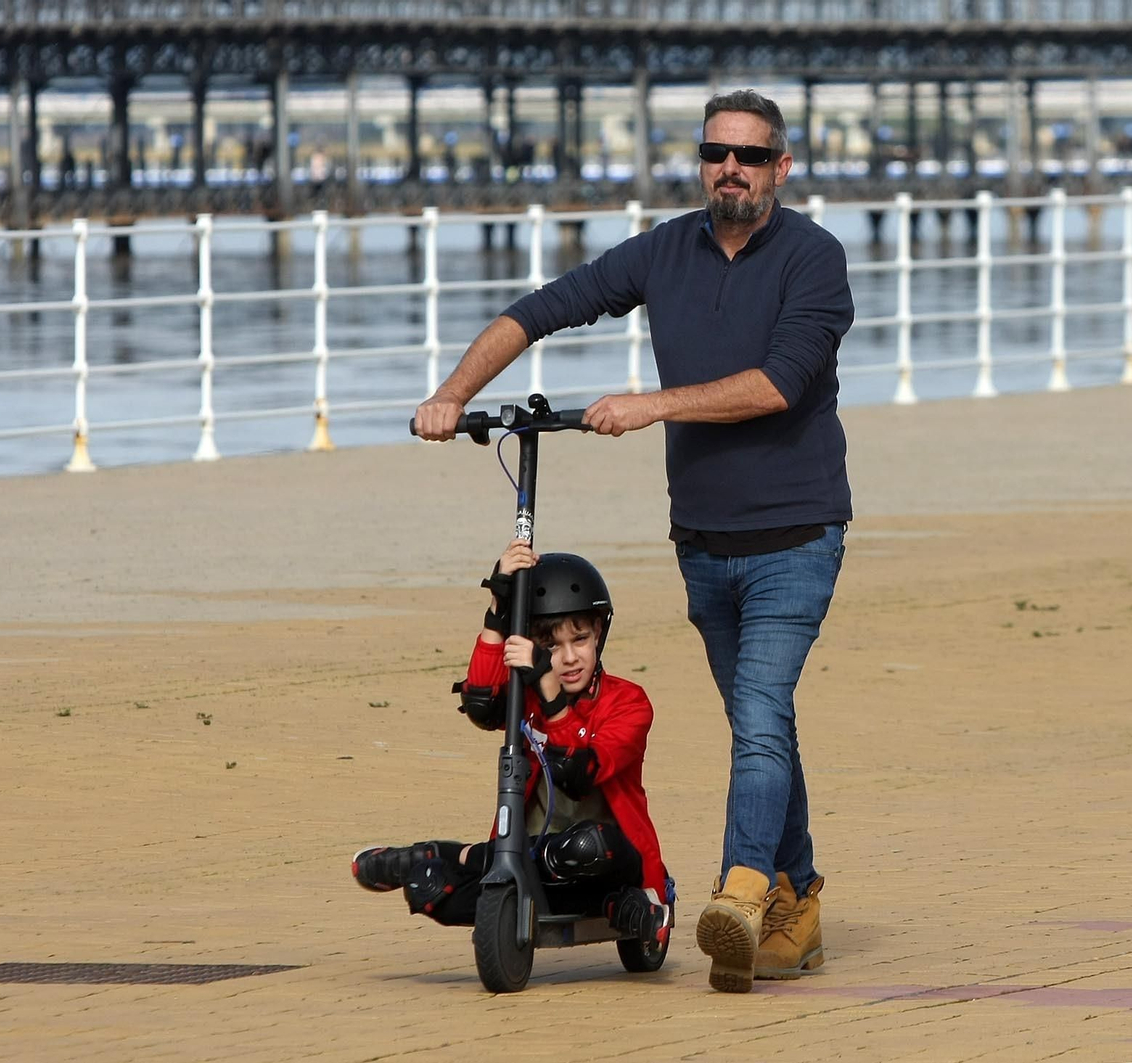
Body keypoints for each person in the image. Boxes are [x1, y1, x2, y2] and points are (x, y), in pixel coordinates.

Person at [412, 88, 854, 993]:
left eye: (750, 155)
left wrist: (651, 405)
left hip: (796, 534)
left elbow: (778, 383)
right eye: (715, 153)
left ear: (781, 166)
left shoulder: (814, 258)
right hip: (703, 539)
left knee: (759, 714)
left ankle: (740, 894)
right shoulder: (665, 249)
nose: (730, 169)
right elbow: (543, 308)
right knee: (760, 722)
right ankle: (799, 900)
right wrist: (453, 393)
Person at [351, 541, 672, 949]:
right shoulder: (527, 697)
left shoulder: (628, 702)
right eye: (551, 646)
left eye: (580, 639)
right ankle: (426, 860)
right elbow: (481, 701)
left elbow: (577, 773)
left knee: (582, 846)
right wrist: (498, 609)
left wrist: (552, 695)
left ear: (599, 634)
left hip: (607, 862)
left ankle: (447, 853)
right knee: (428, 888)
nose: (569, 658)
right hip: (531, 868)